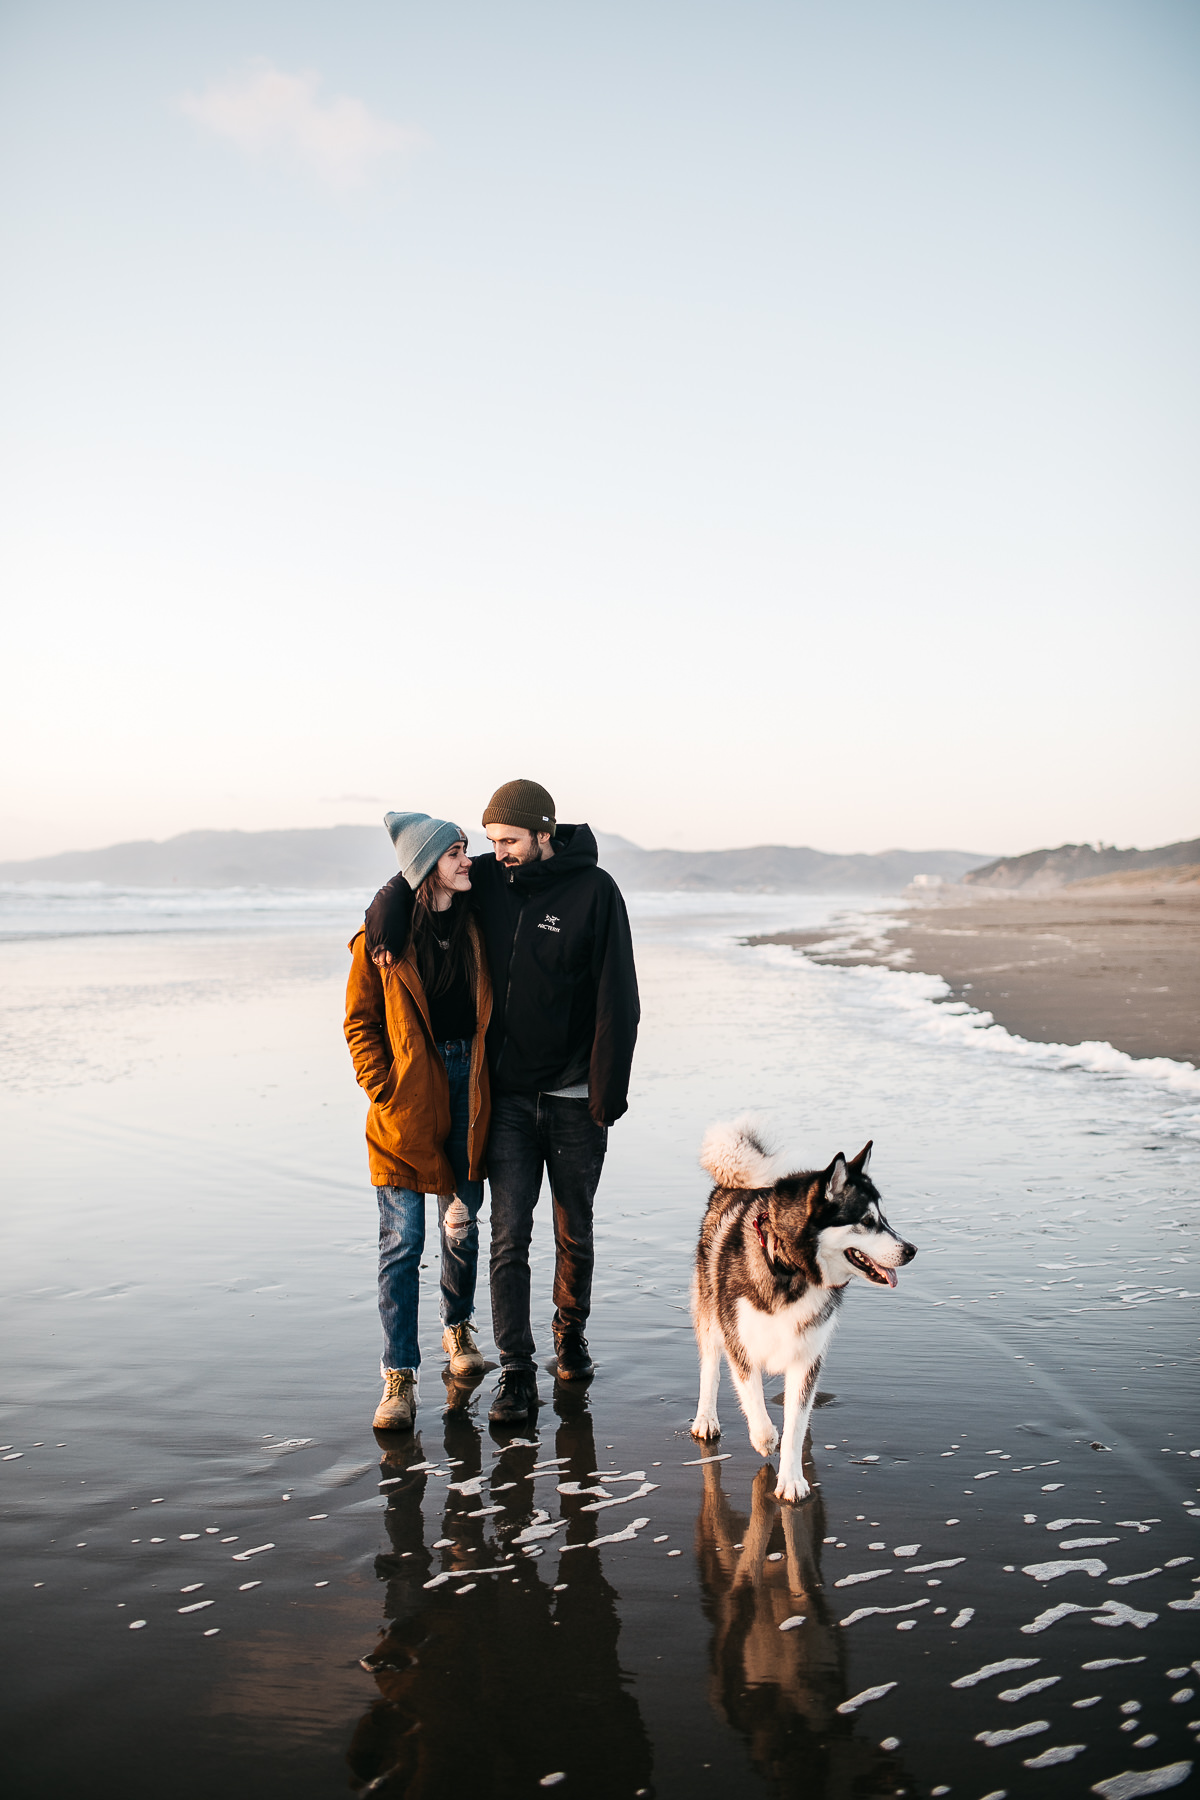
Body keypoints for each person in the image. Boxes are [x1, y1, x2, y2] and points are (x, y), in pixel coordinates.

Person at [366, 779, 639, 1426]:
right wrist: (381, 914)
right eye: (490, 843)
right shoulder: (490, 877)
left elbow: (617, 997)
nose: (497, 853)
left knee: (575, 1231)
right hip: (509, 1099)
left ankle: (569, 1336)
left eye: (508, 840)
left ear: (545, 833)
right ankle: (516, 1369)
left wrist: (608, 1092)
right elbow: (413, 878)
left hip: (576, 1102)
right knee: (508, 1236)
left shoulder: (595, 893)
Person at [345, 813, 493, 1431]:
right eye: (456, 852)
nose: (468, 860)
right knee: (401, 1245)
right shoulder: (377, 940)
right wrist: (385, 1090)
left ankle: (456, 1330)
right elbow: (360, 1025)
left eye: (466, 849)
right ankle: (397, 1377)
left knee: (459, 1228)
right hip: (406, 1104)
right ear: (426, 864)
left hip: (470, 1092)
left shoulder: (476, 921)